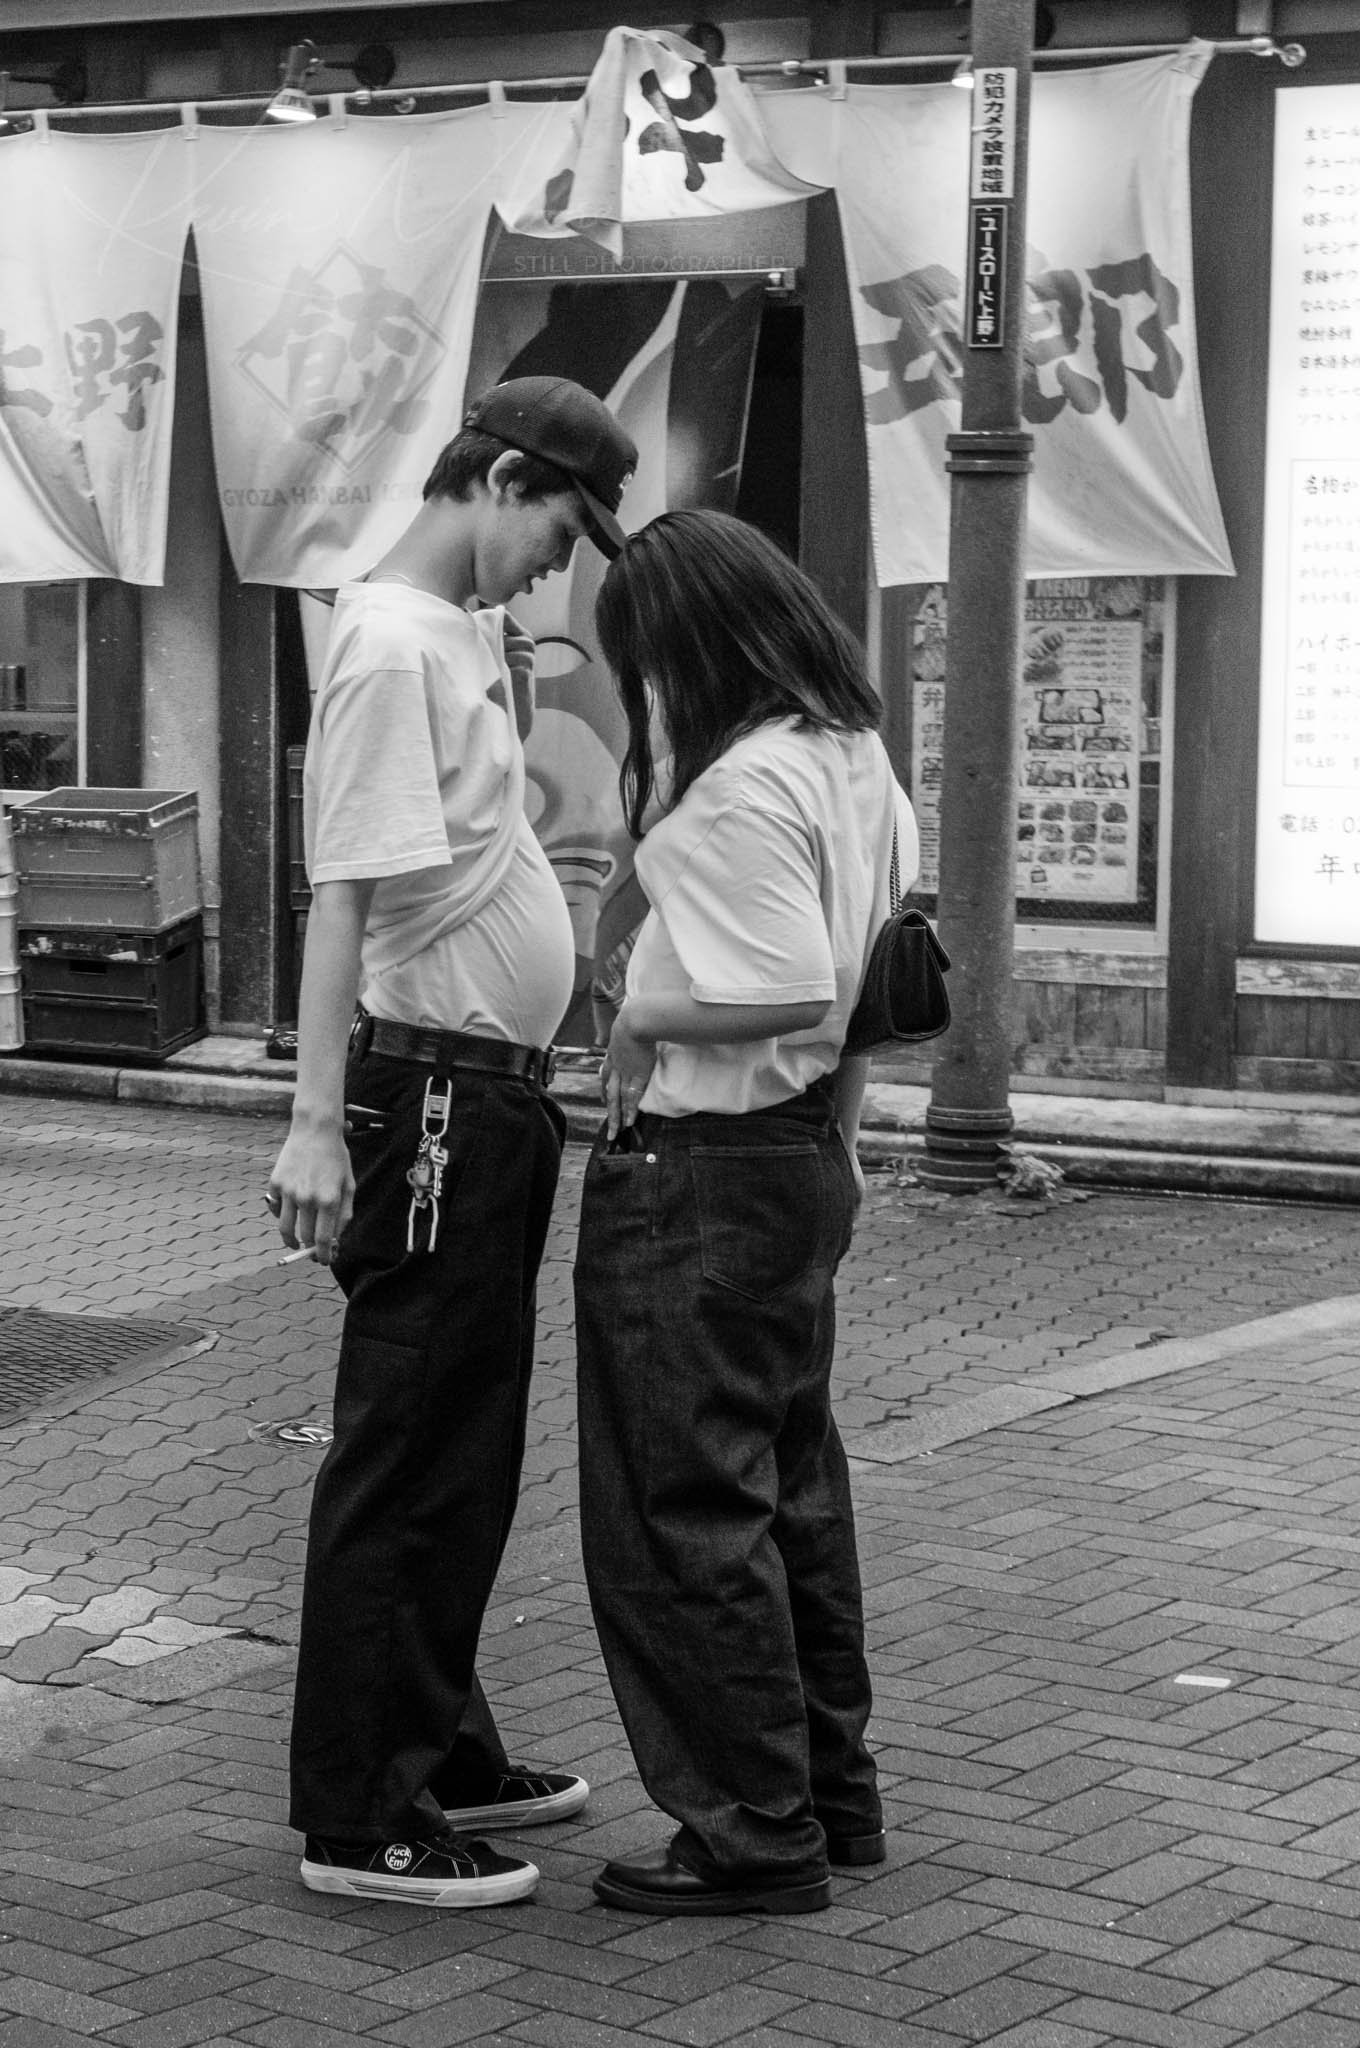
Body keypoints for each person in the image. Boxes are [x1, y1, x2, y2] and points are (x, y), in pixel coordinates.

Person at [267, 376, 637, 1909]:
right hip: (422, 1099)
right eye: (555, 526)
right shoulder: (389, 645)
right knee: (415, 1445)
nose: (559, 563)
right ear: (492, 480)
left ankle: (440, 1742)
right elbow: (342, 890)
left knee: (463, 1441)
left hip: (474, 1097)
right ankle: (364, 1811)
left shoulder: (454, 639)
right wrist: (307, 1121)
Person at [574, 508, 919, 1916]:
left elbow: (790, 986)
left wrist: (634, 1012)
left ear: (684, 649)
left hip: (699, 1171)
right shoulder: (857, 764)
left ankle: (750, 1830)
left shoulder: (734, 789)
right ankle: (831, 1799)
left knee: (683, 1505)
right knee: (790, 1492)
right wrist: (836, 1153)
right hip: (791, 1161)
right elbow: (870, 1001)